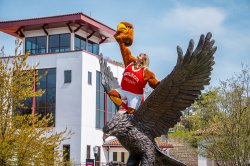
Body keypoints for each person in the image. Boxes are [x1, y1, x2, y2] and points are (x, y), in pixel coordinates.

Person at [108, 22, 160, 114]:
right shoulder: (130, 63)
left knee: (131, 113)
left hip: (135, 95)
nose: (137, 56)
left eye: (139, 56)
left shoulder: (146, 72)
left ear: (143, 60)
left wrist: (162, 84)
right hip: (123, 90)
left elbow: (155, 83)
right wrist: (121, 41)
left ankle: (130, 109)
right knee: (111, 93)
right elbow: (124, 50)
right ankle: (122, 105)